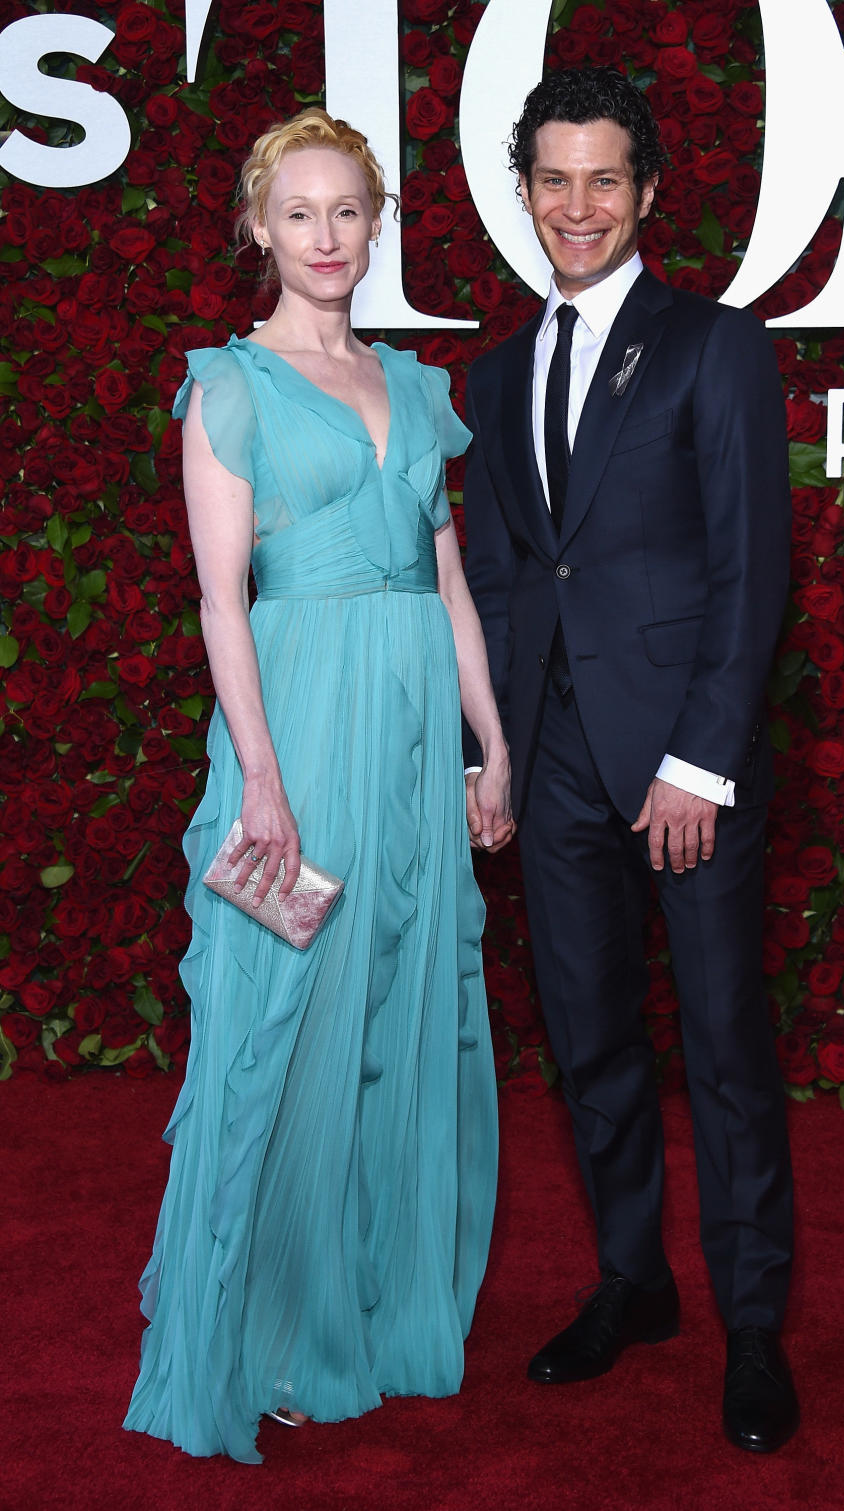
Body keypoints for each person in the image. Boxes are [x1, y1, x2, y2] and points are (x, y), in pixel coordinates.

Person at [124, 108, 512, 1464]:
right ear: (258, 228)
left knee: (407, 1006)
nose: (327, 235)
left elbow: (451, 578)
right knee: (288, 1021)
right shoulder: (227, 387)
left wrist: (493, 742)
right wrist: (264, 785)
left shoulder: (416, 388)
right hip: (298, 723)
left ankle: (380, 1306)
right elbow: (224, 604)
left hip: (415, 732)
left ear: (376, 220)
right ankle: (272, 1332)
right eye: (300, 213)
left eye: (348, 209)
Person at [462, 67, 797, 1453]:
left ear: (649, 193)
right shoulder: (494, 370)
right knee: (592, 1043)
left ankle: (757, 1326)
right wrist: (491, 755)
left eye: (606, 178)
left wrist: (700, 765)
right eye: (555, 178)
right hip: (549, 767)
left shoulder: (716, 347)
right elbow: (495, 578)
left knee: (722, 1050)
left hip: (682, 772)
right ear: (523, 191)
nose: (579, 205)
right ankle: (633, 1281)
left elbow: (751, 571)